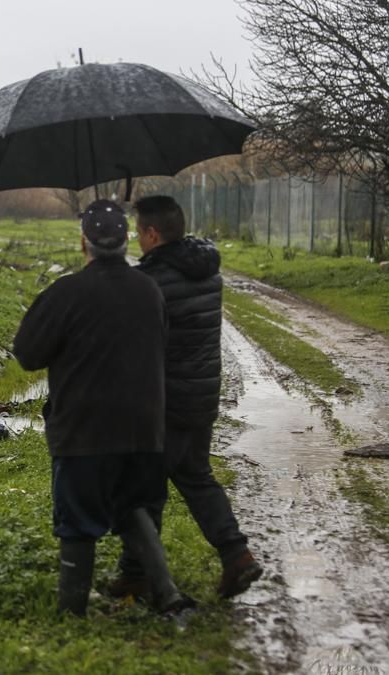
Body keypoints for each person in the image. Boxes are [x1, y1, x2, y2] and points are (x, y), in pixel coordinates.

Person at [12, 199, 189, 616]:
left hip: (83, 432)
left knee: (77, 521)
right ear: (127, 240)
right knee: (131, 507)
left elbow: (26, 354)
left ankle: (72, 611)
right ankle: (167, 594)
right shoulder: (149, 289)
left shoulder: (66, 293)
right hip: (144, 430)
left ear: (83, 243)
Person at [111, 194, 262, 599]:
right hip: (201, 396)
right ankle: (237, 556)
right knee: (195, 475)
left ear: (152, 233)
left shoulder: (152, 281)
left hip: (165, 403)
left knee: (144, 488)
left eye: (138, 231)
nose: (136, 239)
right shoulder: (207, 271)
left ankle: (135, 574)